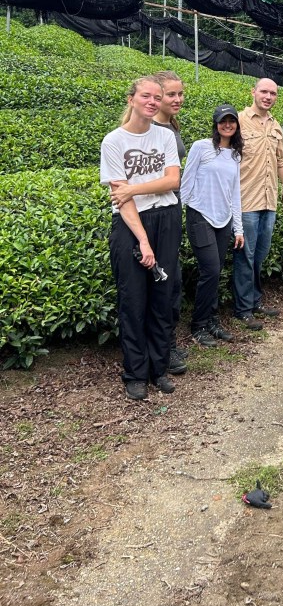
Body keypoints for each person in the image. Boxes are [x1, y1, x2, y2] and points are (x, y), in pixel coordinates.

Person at [100, 77, 182, 401]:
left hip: (167, 218)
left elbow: (172, 180)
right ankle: (135, 372)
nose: (152, 101)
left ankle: (158, 369)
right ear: (131, 98)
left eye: (156, 97)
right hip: (131, 223)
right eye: (146, 96)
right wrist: (143, 241)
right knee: (133, 300)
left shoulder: (164, 135)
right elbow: (121, 201)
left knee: (163, 297)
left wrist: (134, 186)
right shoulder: (114, 141)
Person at [180, 105, 244, 345]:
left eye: (232, 121)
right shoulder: (201, 147)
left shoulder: (236, 154)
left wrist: (238, 228)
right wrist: (180, 213)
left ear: (236, 125)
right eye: (222, 121)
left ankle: (212, 320)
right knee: (211, 270)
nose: (227, 125)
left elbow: (235, 192)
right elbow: (185, 183)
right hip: (200, 215)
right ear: (215, 123)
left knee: (215, 271)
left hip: (224, 219)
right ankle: (198, 324)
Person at [234, 78, 283, 328]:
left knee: (260, 253)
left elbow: (282, 162)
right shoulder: (238, 120)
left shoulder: (276, 125)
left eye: (273, 93)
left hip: (269, 200)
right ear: (253, 92)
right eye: (264, 92)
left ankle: (255, 299)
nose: (268, 96)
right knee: (245, 255)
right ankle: (243, 308)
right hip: (246, 199)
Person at [151, 70, 188, 374]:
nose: (177, 99)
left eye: (180, 94)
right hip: (154, 212)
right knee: (162, 279)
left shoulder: (171, 126)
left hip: (173, 207)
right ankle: (162, 347)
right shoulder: (148, 129)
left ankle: (168, 342)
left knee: (172, 279)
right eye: (171, 94)